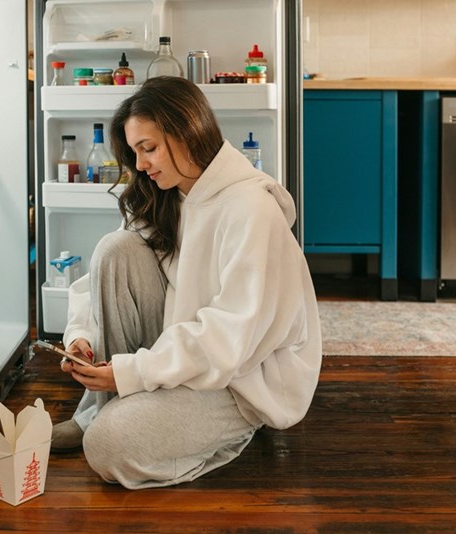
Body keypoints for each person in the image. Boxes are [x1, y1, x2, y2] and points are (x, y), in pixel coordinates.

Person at [52, 76, 322, 489]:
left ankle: (225, 430)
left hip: (242, 380)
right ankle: (97, 411)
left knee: (107, 447)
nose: (140, 164)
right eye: (135, 152)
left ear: (187, 131)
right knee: (115, 248)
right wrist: (80, 336)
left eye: (149, 148)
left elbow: (229, 339)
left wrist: (132, 372)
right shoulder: (166, 193)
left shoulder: (250, 209)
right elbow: (99, 282)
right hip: (184, 354)